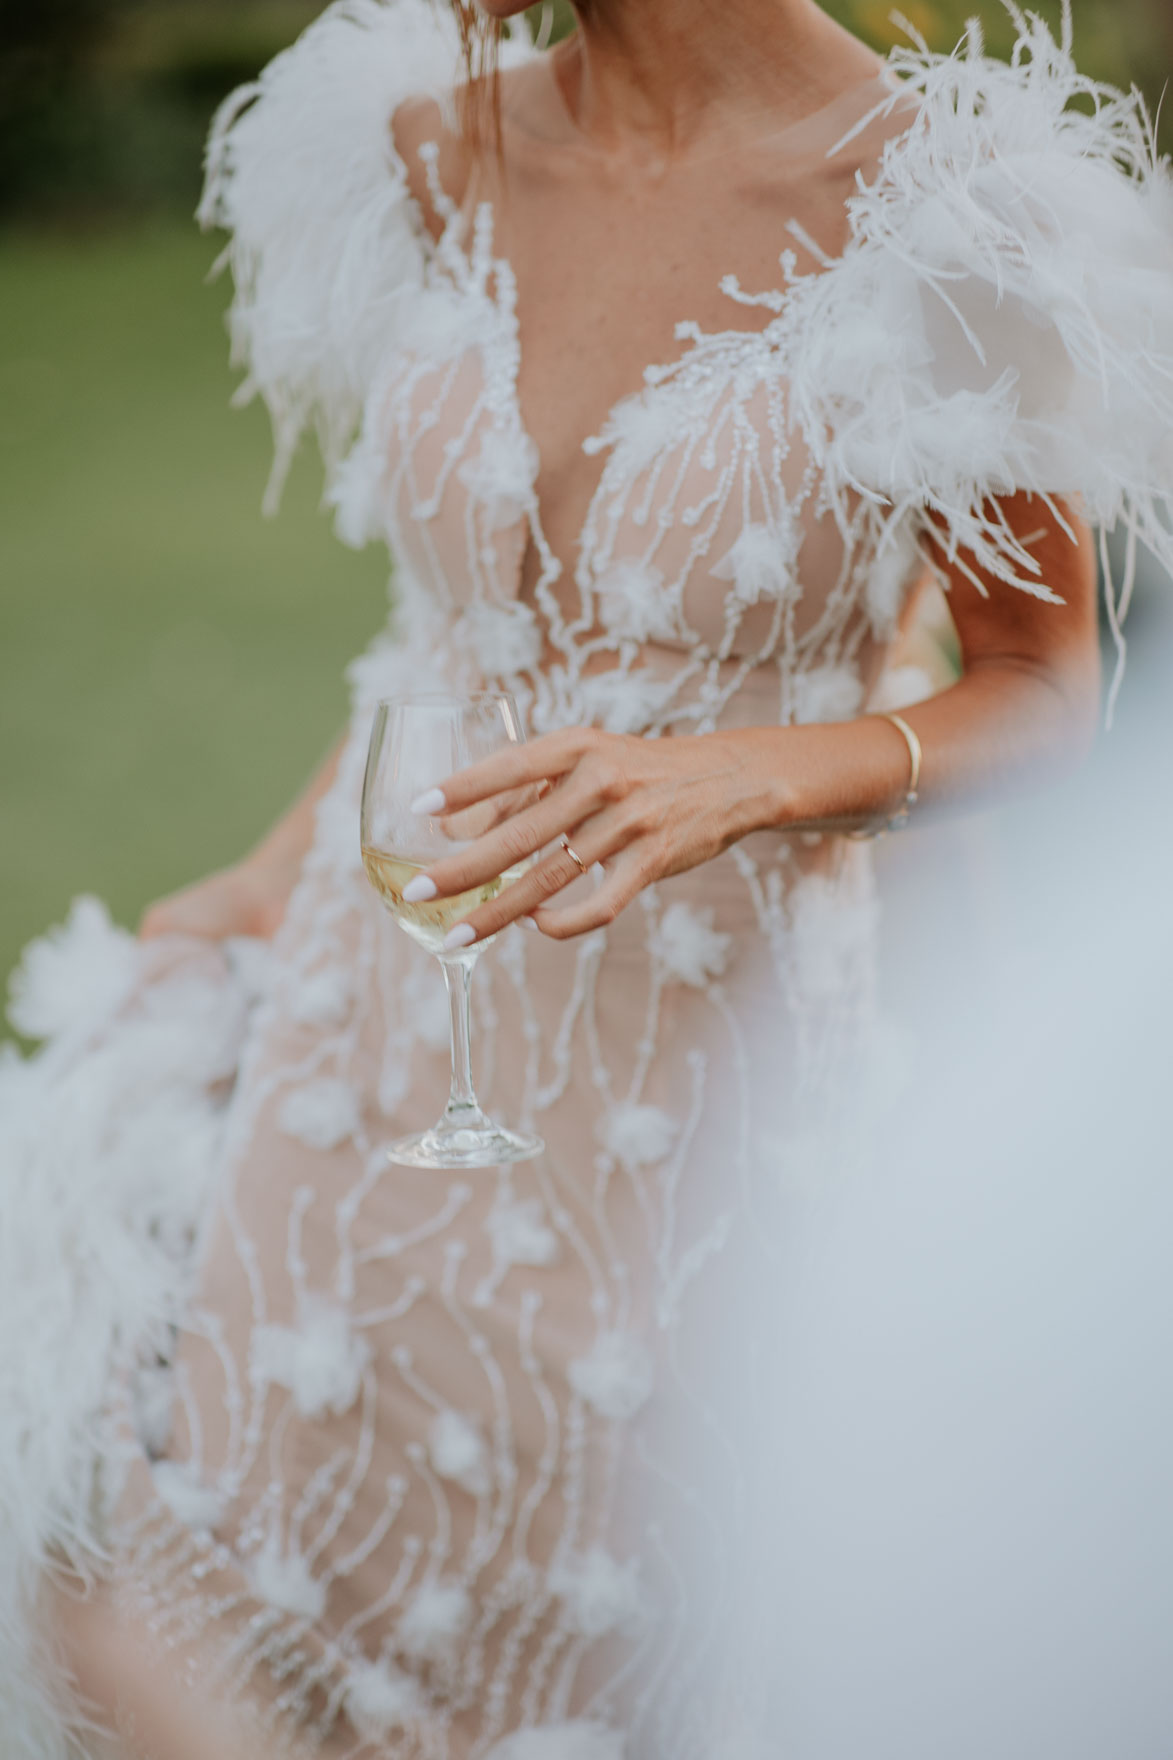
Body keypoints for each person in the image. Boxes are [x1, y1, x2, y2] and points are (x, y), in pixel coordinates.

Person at [2, 0, 1171, 1754]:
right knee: (265, 1588)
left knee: (615, 1622)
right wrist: (258, 874)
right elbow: (452, 630)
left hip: (698, 1085)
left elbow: (1045, 687)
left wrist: (746, 771)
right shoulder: (428, 134)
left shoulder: (954, 207)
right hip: (366, 1048)